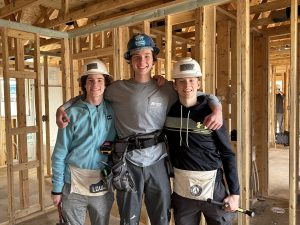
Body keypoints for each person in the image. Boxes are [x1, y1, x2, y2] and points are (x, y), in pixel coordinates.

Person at [56, 33, 223, 225]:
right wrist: (63, 107)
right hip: (128, 162)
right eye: (136, 56)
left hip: (157, 161)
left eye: (146, 56)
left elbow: (197, 93)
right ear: (130, 60)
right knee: (128, 217)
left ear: (153, 60)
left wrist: (217, 108)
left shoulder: (167, 88)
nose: (142, 61)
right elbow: (92, 92)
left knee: (161, 216)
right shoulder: (117, 89)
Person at [164, 57, 240, 225]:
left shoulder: (211, 114)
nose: (187, 86)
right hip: (182, 190)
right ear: (175, 85)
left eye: (192, 80)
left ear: (198, 84)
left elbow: (227, 153)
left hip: (213, 188)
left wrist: (235, 194)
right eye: (181, 81)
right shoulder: (169, 113)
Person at [51, 59, 116, 225]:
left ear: (106, 83)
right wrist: (57, 189)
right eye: (90, 80)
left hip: (101, 182)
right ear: (84, 84)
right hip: (73, 184)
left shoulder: (113, 109)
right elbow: (59, 153)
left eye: (100, 80)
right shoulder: (70, 114)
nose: (95, 85)